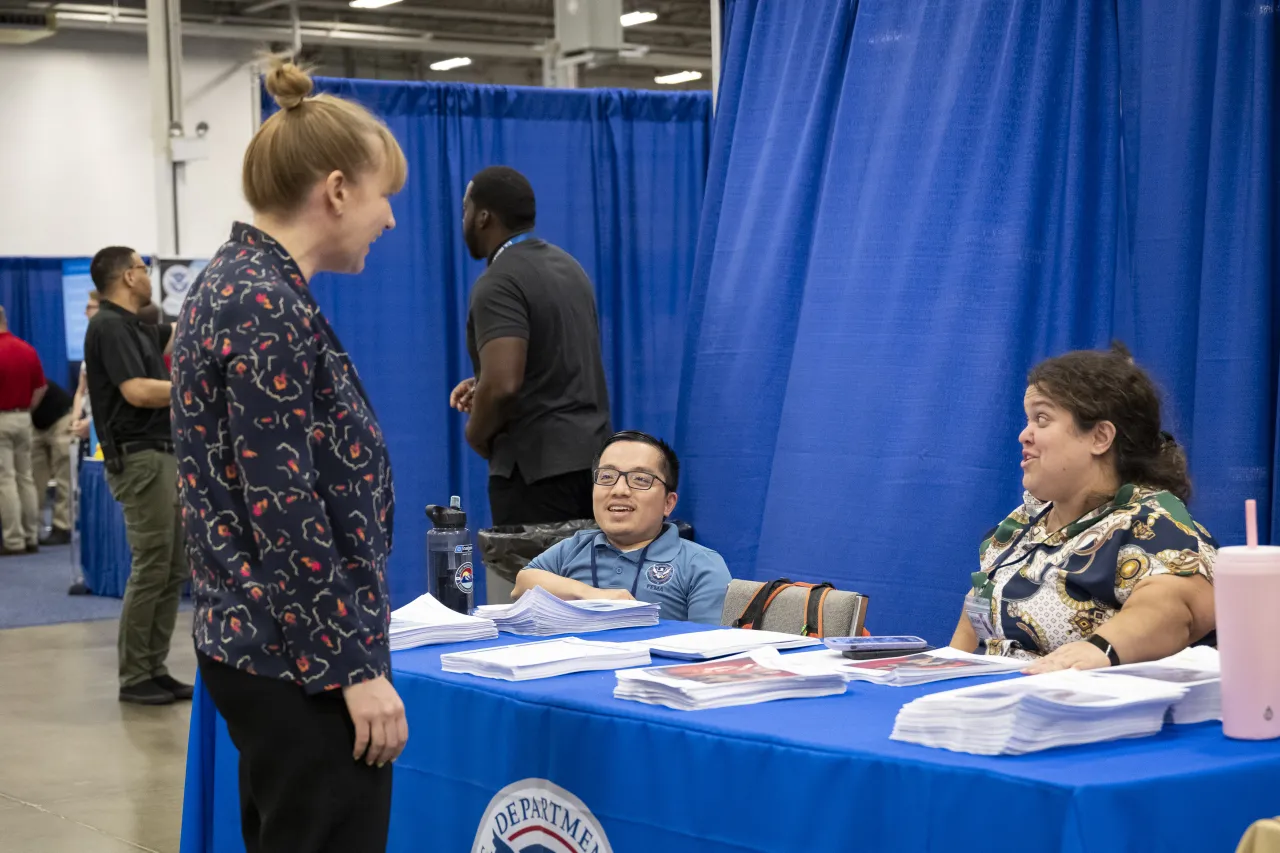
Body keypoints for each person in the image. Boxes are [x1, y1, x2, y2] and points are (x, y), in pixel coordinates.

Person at [172, 57, 407, 853]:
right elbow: (284, 506)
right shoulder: (260, 298)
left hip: (277, 647)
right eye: (384, 197)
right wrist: (352, 668)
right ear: (338, 190)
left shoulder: (244, 283)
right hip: (299, 660)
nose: (390, 219)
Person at [950, 343, 1218, 673]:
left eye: (1042, 419)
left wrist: (1100, 650)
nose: (1024, 435)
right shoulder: (1020, 527)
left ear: (1100, 437)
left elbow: (1178, 605)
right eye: (1028, 419)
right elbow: (969, 628)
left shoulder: (1150, 521)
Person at [450, 166, 611, 526]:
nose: (464, 220)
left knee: (539, 585)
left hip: (535, 480)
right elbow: (558, 361)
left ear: (484, 217)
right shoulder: (570, 268)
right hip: (595, 468)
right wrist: (483, 382)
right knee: (586, 583)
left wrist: (476, 432)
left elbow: (505, 384)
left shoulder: (498, 282)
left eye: (466, 211)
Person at [84, 246, 190, 705]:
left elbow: (178, 332)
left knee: (172, 567)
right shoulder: (108, 326)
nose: (150, 278)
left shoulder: (136, 326)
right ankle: (135, 675)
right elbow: (138, 391)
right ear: (129, 277)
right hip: (141, 457)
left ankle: (154, 666)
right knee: (152, 566)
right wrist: (196, 387)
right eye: (145, 270)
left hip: (160, 455)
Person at [513, 431, 731, 624]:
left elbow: (710, 650)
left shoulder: (700, 564)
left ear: (668, 503)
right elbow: (523, 584)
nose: (619, 490)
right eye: (607, 477)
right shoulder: (576, 547)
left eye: (640, 479)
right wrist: (590, 594)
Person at [0, 305, 46, 556]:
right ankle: (31, 535)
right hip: (23, 419)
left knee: (5, 480)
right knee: (25, 477)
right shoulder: (27, 349)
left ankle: (13, 540)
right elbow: (41, 387)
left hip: (2, 420)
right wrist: (27, 408)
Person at [30, 380, 74, 545]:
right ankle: (32, 528)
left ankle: (62, 526)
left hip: (61, 418)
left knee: (64, 478)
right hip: (36, 424)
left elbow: (40, 389)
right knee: (34, 480)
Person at [71, 290, 100, 445]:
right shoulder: (90, 344)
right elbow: (81, 390)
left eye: (90, 307)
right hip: (91, 425)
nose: (85, 312)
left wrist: (92, 423)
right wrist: (76, 417)